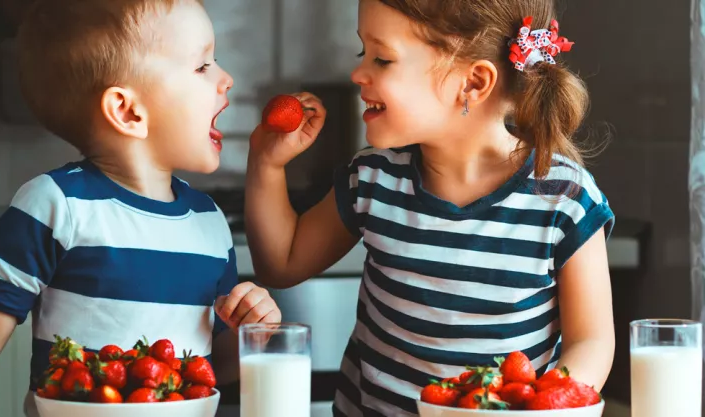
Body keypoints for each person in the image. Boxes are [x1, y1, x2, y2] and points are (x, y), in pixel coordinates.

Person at [245, 0, 615, 415]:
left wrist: (546, 405)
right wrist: (266, 163)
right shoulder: (373, 179)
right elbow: (281, 262)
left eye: (382, 59)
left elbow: (592, 341)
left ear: (473, 83)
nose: (358, 73)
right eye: (361, 52)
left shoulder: (564, 198)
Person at [0, 1, 281, 415]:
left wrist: (252, 335)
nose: (226, 79)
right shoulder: (55, 205)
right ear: (127, 110)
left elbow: (212, 367)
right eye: (202, 65)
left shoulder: (209, 223)